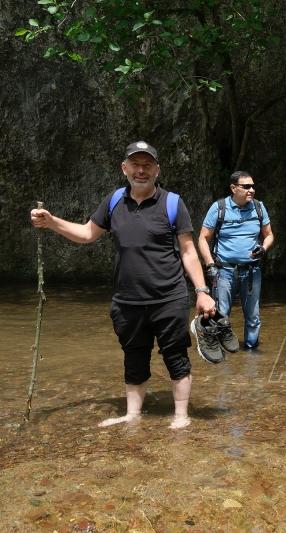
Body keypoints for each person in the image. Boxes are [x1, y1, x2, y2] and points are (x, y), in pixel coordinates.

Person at [30, 141, 215, 429]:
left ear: (156, 169)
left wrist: (202, 292)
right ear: (124, 168)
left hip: (168, 297)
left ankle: (181, 416)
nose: (141, 171)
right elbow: (87, 234)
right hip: (127, 300)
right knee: (133, 357)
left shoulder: (172, 203)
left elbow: (189, 251)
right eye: (135, 164)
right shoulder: (114, 200)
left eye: (147, 165)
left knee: (176, 355)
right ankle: (132, 414)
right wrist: (51, 221)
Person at [198, 171, 274, 351]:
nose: (252, 190)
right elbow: (202, 238)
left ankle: (251, 354)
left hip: (252, 270)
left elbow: (269, 235)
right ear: (233, 188)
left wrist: (263, 248)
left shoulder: (258, 207)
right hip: (224, 271)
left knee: (253, 317)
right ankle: (221, 354)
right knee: (221, 313)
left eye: (253, 186)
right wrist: (210, 265)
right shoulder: (219, 208)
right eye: (246, 186)